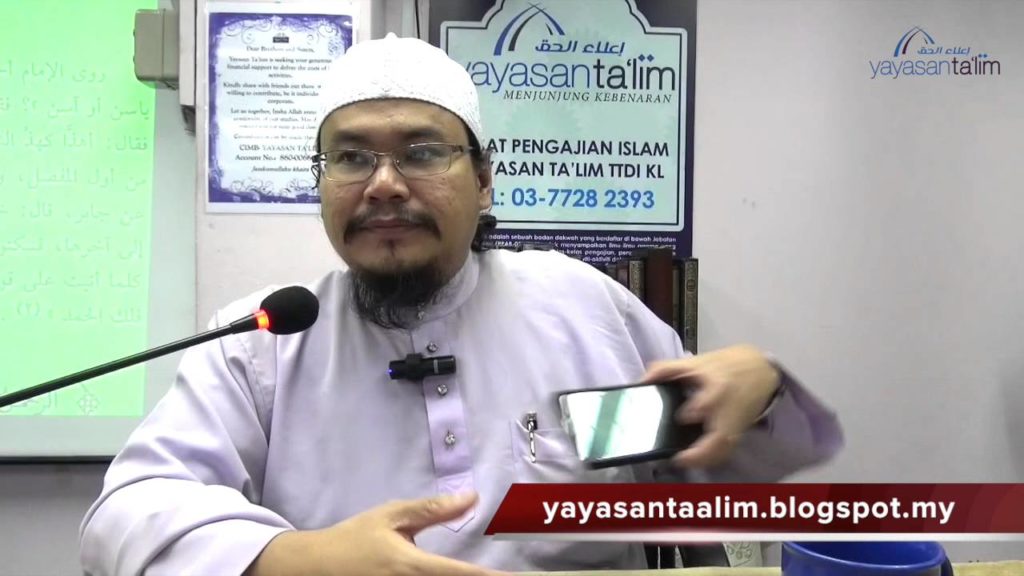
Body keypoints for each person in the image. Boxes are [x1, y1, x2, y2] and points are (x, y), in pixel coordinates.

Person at [80, 34, 842, 575]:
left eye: (421, 152)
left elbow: (713, 478)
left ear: (482, 182)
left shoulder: (579, 308)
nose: (383, 184)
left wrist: (759, 392)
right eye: (351, 157)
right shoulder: (264, 341)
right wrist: (293, 559)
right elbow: (128, 512)